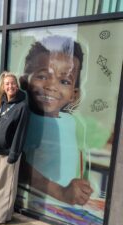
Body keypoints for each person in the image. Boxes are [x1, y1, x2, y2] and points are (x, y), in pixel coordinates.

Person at [19, 35, 93, 205]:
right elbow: (19, 165)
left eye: (64, 81)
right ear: (24, 82)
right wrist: (60, 192)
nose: (51, 86)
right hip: (34, 203)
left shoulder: (71, 122)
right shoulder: (27, 118)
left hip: (62, 205)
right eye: (43, 76)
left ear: (74, 95)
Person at [0, 71, 29, 224]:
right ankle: (5, 214)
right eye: (7, 84)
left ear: (17, 86)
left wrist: (14, 153)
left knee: (5, 186)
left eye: (13, 83)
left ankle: (0, 216)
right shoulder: (1, 104)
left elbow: (20, 132)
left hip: (9, 153)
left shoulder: (21, 106)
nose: (10, 86)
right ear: (3, 87)